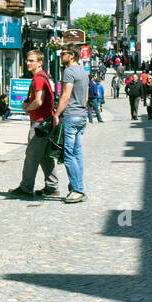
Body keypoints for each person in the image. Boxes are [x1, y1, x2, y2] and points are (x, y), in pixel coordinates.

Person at [9, 49, 61, 199]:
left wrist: (26, 108)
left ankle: (26, 188)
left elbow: (39, 101)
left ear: (40, 63)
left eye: (32, 60)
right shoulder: (43, 77)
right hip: (46, 122)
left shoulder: (38, 78)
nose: (28, 63)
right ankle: (52, 187)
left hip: (39, 124)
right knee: (45, 156)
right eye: (27, 60)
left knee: (31, 156)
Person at [53, 46, 88, 203]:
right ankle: (77, 185)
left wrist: (57, 114)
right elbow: (86, 97)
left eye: (63, 54)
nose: (61, 56)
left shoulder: (68, 71)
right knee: (77, 153)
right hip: (81, 115)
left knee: (68, 155)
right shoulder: (83, 71)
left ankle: (78, 189)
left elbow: (66, 95)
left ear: (72, 56)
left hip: (71, 116)